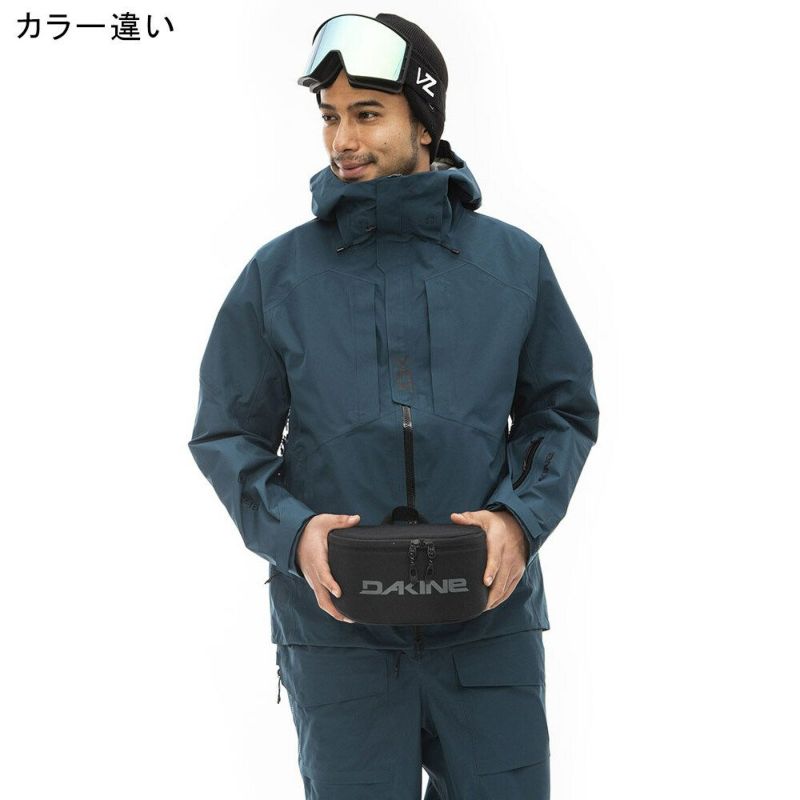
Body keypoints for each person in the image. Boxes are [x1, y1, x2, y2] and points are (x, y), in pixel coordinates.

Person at [187, 12, 599, 799]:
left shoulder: (514, 265)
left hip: (488, 627)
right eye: (330, 116)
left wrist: (519, 520)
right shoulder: (278, 276)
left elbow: (562, 412)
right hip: (338, 635)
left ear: (425, 122)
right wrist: (295, 533)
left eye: (368, 114)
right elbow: (227, 434)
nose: (343, 140)